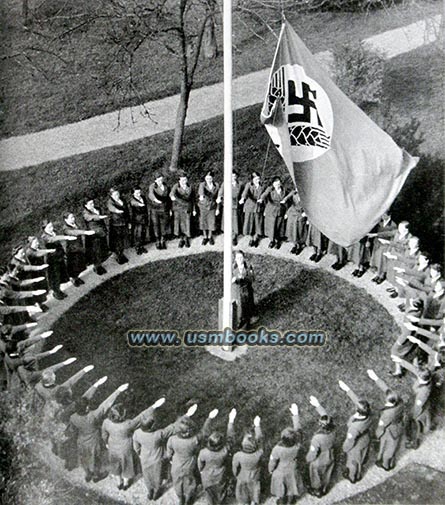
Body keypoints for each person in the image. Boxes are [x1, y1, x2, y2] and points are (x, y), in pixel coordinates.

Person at [133, 403, 198, 501]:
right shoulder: (159, 434)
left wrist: (139, 453)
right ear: (152, 427)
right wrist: (187, 415)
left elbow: (136, 446)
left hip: (144, 458)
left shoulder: (137, 433)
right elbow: (172, 428)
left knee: (147, 475)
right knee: (157, 476)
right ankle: (156, 492)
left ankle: (150, 491)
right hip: (156, 459)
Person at [69, 383, 129, 482]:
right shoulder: (93, 416)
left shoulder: (73, 417)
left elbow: (72, 430)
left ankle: (88, 474)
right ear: (87, 408)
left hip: (81, 441)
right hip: (94, 442)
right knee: (96, 459)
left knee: (85, 458)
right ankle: (97, 475)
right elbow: (105, 404)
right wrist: (118, 390)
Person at [101, 397, 165, 490]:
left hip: (112, 446)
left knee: (115, 465)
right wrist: (154, 406)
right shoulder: (128, 424)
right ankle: (126, 484)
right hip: (125, 448)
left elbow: (104, 433)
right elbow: (141, 417)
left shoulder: (106, 422)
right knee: (126, 465)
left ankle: (119, 483)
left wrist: (106, 442)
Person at [166, 406, 219, 505]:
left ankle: (180, 498)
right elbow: (204, 432)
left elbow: (169, 453)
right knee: (190, 481)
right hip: (189, 464)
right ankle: (188, 499)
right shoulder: (194, 440)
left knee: (177, 481)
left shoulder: (172, 439)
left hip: (176, 464)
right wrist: (210, 418)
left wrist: (171, 459)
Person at [391, 356, 432, 449]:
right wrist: (400, 361)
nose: (417, 375)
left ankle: (414, 441)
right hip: (416, 402)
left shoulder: (424, 392)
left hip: (420, 409)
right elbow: (415, 370)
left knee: (416, 424)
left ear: (422, 379)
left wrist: (413, 415)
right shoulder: (425, 375)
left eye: (418, 376)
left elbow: (418, 406)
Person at [367, 370, 404, 471]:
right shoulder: (399, 401)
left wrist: (377, 435)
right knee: (386, 445)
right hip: (396, 425)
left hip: (391, 430)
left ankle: (386, 464)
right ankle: (380, 459)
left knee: (389, 448)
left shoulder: (387, 413)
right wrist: (375, 378)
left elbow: (381, 426)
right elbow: (387, 389)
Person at [198, 408, 236, 505]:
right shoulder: (225, 451)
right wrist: (231, 421)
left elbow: (204, 433)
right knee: (221, 494)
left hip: (207, 478)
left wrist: (209, 418)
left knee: (209, 495)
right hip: (220, 477)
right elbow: (231, 439)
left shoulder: (203, 452)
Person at [269, 403, 304, 504]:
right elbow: (299, 430)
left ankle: (282, 501)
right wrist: (295, 415)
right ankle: (290, 501)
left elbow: (272, 462)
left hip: (281, 471)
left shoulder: (277, 449)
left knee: (281, 487)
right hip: (293, 469)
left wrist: (270, 470)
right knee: (291, 486)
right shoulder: (298, 445)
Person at [339, 380, 372, 483]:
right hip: (365, 438)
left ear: (358, 411)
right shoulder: (369, 414)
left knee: (352, 462)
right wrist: (347, 390)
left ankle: (353, 477)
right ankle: (357, 471)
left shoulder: (354, 427)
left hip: (356, 444)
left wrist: (345, 449)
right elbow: (358, 401)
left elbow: (350, 440)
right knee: (361, 458)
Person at [306, 396, 336, 498]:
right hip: (330, 455)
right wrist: (317, 405)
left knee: (315, 473)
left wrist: (308, 459)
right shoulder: (333, 430)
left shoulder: (317, 438)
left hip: (320, 459)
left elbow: (312, 454)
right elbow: (326, 417)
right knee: (327, 472)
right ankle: (324, 488)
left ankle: (317, 490)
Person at [41, 220, 77, 299]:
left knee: (61, 274)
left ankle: (59, 290)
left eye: (52, 226)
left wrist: (63, 253)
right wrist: (65, 237)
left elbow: (58, 244)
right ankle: (56, 292)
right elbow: (53, 239)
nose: (52, 228)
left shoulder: (54, 232)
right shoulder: (45, 236)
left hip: (59, 256)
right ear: (44, 229)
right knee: (55, 276)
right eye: (49, 227)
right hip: (53, 260)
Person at [232, 415, 263, 505]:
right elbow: (260, 440)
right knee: (255, 489)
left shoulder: (238, 455)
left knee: (242, 490)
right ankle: (254, 502)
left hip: (242, 476)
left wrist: (235, 475)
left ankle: (243, 502)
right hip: (255, 475)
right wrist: (257, 426)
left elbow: (235, 467)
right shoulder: (259, 453)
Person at [390, 298, 424, 377]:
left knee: (395, 351)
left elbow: (407, 332)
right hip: (414, 335)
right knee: (412, 350)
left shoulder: (411, 315)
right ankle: (416, 366)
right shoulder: (419, 311)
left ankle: (399, 371)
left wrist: (399, 342)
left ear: (414, 305)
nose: (412, 299)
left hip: (407, 337)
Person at [63, 212, 95, 286]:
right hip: (73, 250)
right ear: (65, 220)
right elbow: (74, 232)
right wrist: (85, 232)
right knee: (74, 266)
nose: (73, 219)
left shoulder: (74, 224)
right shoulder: (65, 228)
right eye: (71, 218)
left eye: (73, 217)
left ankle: (77, 278)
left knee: (79, 265)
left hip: (78, 248)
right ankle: (74, 279)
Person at [259, 176, 287, 249]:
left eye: (278, 183)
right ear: (273, 184)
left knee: (278, 226)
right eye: (275, 183)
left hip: (280, 210)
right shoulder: (270, 189)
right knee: (271, 226)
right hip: (271, 210)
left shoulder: (284, 190)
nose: (277, 185)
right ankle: (272, 240)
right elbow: (264, 194)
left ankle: (278, 241)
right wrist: (261, 199)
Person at [216, 171, 244, 246]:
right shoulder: (225, 183)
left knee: (235, 221)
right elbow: (221, 191)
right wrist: (219, 197)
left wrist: (242, 199)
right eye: (231, 176)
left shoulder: (240, 184)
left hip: (235, 205)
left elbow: (243, 193)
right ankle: (228, 236)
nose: (233, 178)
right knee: (227, 220)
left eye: (234, 176)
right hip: (227, 205)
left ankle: (234, 237)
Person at [83, 198, 109, 275]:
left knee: (102, 249)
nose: (92, 205)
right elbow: (91, 217)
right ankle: (97, 267)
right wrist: (100, 217)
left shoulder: (97, 209)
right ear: (85, 205)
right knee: (96, 251)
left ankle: (100, 263)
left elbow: (102, 222)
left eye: (93, 203)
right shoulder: (85, 213)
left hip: (101, 232)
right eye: (90, 204)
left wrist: (105, 229)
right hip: (94, 235)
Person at [170, 171, 196, 248]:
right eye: (182, 180)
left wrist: (194, 209)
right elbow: (171, 193)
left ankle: (186, 239)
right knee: (179, 224)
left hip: (187, 208)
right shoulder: (176, 186)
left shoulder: (190, 187)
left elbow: (193, 199)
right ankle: (182, 239)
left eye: (185, 179)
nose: (184, 181)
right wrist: (172, 197)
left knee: (187, 223)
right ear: (179, 180)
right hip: (178, 209)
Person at [232, 250, 256, 330]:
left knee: (248, 307)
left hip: (247, 290)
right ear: (235, 259)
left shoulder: (248, 267)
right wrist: (234, 279)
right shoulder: (233, 268)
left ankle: (247, 324)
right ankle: (239, 322)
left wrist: (244, 278)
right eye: (237, 257)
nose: (239, 259)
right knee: (239, 308)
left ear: (244, 258)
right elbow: (229, 279)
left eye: (241, 257)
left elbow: (252, 279)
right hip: (237, 291)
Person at [240, 172, 264, 247]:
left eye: (258, 179)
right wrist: (242, 199)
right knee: (249, 223)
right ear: (252, 179)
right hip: (249, 207)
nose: (257, 180)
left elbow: (264, 194)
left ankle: (256, 238)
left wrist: (261, 199)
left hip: (258, 207)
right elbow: (244, 193)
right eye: (256, 179)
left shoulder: (262, 186)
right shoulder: (249, 185)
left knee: (257, 223)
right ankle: (251, 238)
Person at [148, 173, 170, 250]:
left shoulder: (166, 187)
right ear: (155, 180)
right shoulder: (152, 186)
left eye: (161, 179)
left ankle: (163, 240)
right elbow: (150, 194)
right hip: (155, 209)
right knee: (156, 225)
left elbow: (168, 199)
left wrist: (169, 209)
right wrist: (156, 200)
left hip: (164, 209)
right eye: (158, 180)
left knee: (164, 225)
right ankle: (157, 241)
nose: (160, 181)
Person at [107, 188, 130, 264]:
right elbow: (112, 208)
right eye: (115, 194)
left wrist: (128, 221)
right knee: (117, 241)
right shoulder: (110, 202)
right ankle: (118, 256)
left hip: (124, 223)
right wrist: (117, 211)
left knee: (123, 239)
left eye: (118, 194)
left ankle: (121, 254)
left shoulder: (122, 200)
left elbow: (127, 211)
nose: (117, 196)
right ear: (111, 195)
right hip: (116, 224)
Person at [281, 189, 307, 255]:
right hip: (292, 213)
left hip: (300, 214)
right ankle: (295, 245)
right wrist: (287, 213)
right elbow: (287, 199)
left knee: (299, 230)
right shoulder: (294, 193)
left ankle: (300, 246)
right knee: (292, 229)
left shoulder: (306, 193)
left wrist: (306, 213)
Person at [198, 171, 220, 246]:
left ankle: (210, 237)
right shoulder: (202, 185)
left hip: (212, 206)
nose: (208, 179)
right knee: (203, 222)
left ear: (212, 178)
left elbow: (219, 196)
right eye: (207, 178)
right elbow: (201, 193)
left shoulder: (216, 185)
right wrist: (201, 196)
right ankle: (205, 237)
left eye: (210, 178)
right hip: (203, 206)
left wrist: (218, 208)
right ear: (205, 178)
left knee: (211, 222)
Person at [130, 187, 149, 254]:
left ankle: (142, 246)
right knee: (138, 234)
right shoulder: (132, 199)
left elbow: (146, 207)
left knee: (143, 233)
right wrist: (139, 204)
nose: (139, 194)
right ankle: (137, 248)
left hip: (144, 218)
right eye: (137, 193)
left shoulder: (143, 197)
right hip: (137, 220)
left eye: (139, 192)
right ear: (133, 194)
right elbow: (133, 203)